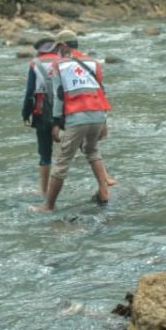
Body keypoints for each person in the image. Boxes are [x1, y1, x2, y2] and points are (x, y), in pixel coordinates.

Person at [31, 29, 111, 211]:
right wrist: (105, 121)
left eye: (58, 47)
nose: (57, 51)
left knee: (61, 163)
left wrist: (56, 124)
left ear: (64, 46)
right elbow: (101, 91)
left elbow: (59, 96)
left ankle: (48, 205)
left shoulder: (59, 65)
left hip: (77, 117)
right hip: (98, 115)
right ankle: (104, 192)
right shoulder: (94, 63)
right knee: (92, 151)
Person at [22, 36, 60, 197]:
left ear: (39, 51)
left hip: (42, 111)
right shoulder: (64, 61)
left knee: (45, 153)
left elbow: (30, 92)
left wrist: (25, 114)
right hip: (65, 109)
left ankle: (44, 190)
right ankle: (103, 180)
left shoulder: (34, 64)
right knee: (81, 147)